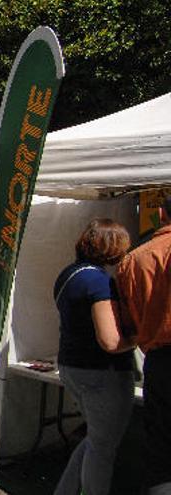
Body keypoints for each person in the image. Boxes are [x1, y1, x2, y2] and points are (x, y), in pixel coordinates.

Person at [52, 219, 135, 495]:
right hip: (101, 373)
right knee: (102, 448)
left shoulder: (69, 273)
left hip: (73, 365)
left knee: (95, 440)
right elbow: (110, 341)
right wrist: (143, 336)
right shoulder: (97, 281)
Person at [117, 196, 171, 494]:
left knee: (161, 451)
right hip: (159, 358)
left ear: (161, 213)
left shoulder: (134, 258)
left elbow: (130, 320)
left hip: (158, 362)